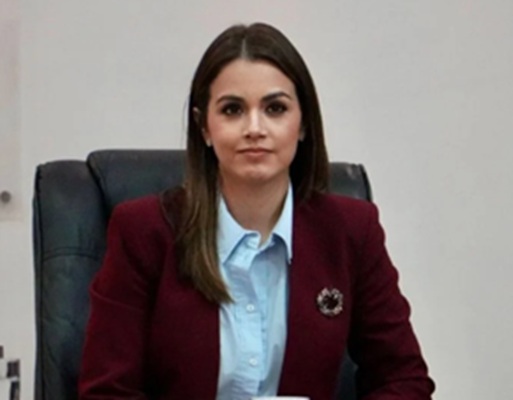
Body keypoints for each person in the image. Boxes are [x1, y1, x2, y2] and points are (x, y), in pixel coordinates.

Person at [78, 22, 435, 400]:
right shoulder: (143, 232)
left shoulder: (351, 231)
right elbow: (107, 393)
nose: (254, 128)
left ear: (303, 124)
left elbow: (404, 380)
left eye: (275, 108)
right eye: (232, 110)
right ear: (204, 127)